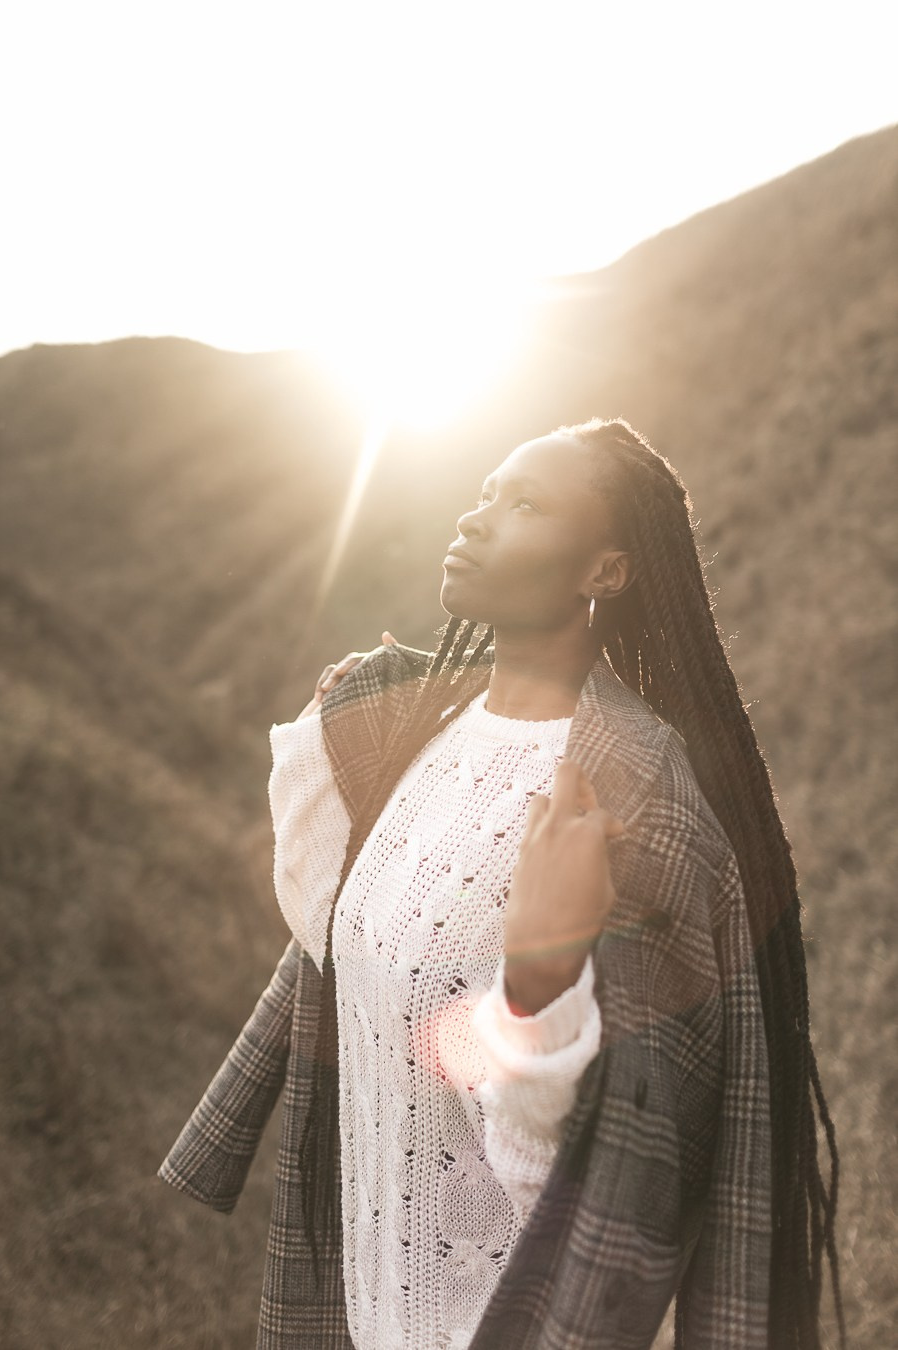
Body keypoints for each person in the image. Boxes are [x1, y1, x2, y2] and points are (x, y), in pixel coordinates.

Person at [160, 418, 843, 1349]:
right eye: (485, 494)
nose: (477, 520)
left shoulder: (634, 800)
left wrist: (539, 988)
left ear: (605, 571)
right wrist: (337, 735)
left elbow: (631, 1184)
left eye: (524, 504)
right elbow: (334, 939)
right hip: (358, 1312)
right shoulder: (420, 734)